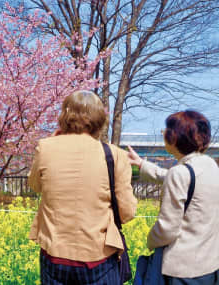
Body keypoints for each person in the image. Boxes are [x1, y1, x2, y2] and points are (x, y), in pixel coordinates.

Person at [28, 90, 137, 285]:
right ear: (100, 119)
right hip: (99, 257)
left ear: (64, 116)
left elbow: (35, 186)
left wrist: (54, 139)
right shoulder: (114, 155)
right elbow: (127, 213)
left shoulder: (45, 147)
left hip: (54, 255)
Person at [128, 110, 219, 284]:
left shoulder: (179, 174)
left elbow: (167, 230)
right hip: (209, 266)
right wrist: (142, 164)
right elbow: (180, 178)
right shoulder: (210, 166)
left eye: (166, 131)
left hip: (181, 271)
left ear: (175, 138)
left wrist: (149, 240)